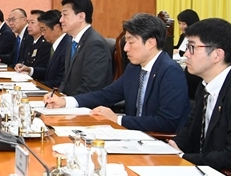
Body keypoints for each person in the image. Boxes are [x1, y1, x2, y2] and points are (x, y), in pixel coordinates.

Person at [47, 13, 190, 133]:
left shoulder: (170, 71)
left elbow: (167, 122)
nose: (126, 48)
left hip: (158, 143)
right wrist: (66, 101)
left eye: (131, 42)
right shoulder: (134, 68)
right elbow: (107, 94)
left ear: (151, 43)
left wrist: (118, 119)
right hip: (134, 136)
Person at [168, 19, 231, 172]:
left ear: (217, 55)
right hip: (201, 170)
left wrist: (183, 157)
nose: (186, 54)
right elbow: (190, 127)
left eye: (192, 47)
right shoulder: (206, 84)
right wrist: (172, 148)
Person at [57, 0, 113, 96]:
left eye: (65, 15)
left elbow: (91, 87)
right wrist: (58, 96)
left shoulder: (95, 44)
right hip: (71, 103)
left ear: (81, 17)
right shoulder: (72, 41)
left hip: (88, 107)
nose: (61, 20)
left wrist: (66, 102)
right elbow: (66, 79)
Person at [17, 10, 70, 89]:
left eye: (44, 29)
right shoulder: (55, 44)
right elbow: (49, 72)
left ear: (56, 28)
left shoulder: (67, 46)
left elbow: (61, 80)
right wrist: (30, 70)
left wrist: (35, 85)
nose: (42, 33)